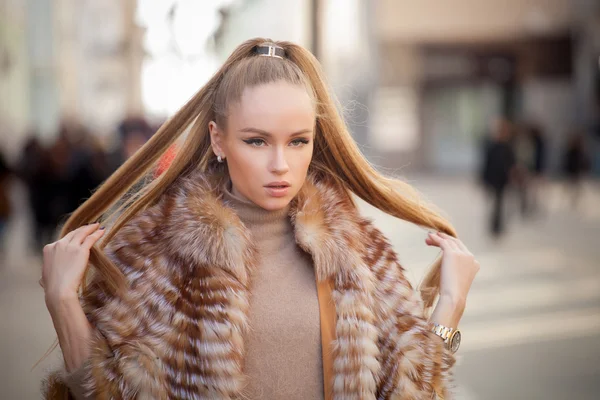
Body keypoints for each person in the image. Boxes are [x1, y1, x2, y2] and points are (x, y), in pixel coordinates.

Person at [40, 39, 479, 400]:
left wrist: (450, 305)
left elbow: (418, 390)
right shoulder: (155, 253)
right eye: (256, 141)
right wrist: (63, 303)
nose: (280, 165)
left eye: (298, 141)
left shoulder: (358, 255)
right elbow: (100, 393)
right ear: (218, 139)